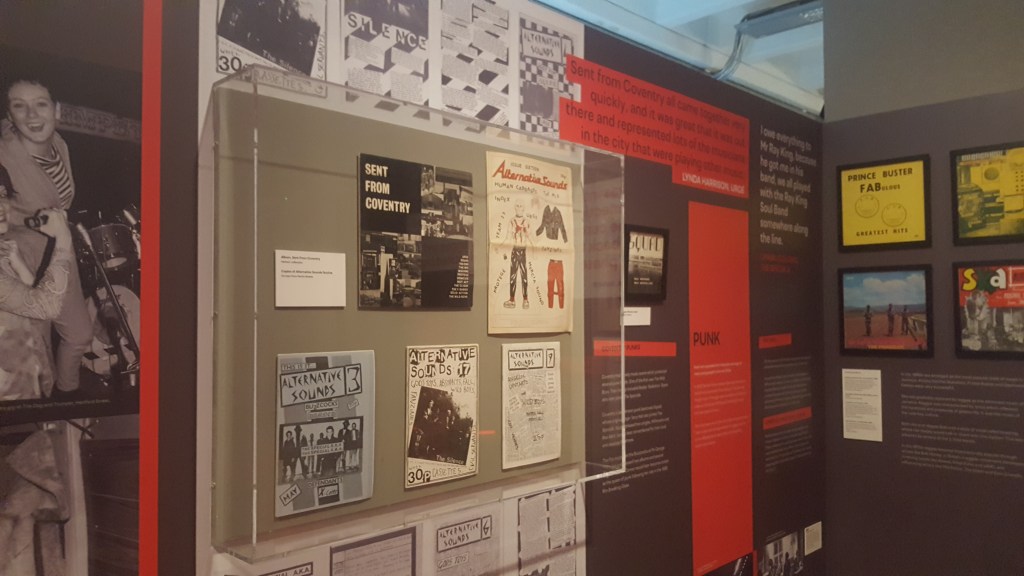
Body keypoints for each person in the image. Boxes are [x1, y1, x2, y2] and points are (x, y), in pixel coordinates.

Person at [0, 79, 93, 398]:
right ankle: (51, 415)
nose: (31, 114)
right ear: (9, 116)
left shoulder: (60, 145)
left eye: (40, 104)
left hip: (59, 252)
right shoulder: (4, 154)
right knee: (38, 356)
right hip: (20, 261)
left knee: (79, 335)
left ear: (57, 110)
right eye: (19, 106)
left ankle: (66, 398)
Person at [0, 181, 74, 401]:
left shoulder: (4, 249)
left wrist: (18, 264)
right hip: (10, 393)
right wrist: (63, 241)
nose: (1, 205)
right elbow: (46, 307)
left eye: (2, 194)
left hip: (32, 376)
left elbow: (34, 306)